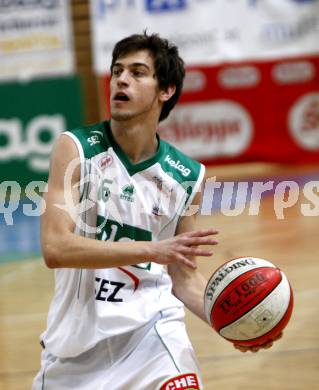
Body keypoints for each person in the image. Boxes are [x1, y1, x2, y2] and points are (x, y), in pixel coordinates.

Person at [33, 32, 278, 390]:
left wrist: (233, 321)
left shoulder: (187, 176)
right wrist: (152, 249)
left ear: (166, 90)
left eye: (137, 72)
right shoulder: (77, 150)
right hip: (73, 353)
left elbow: (182, 279)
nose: (121, 79)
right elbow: (56, 248)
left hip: (153, 340)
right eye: (117, 70)